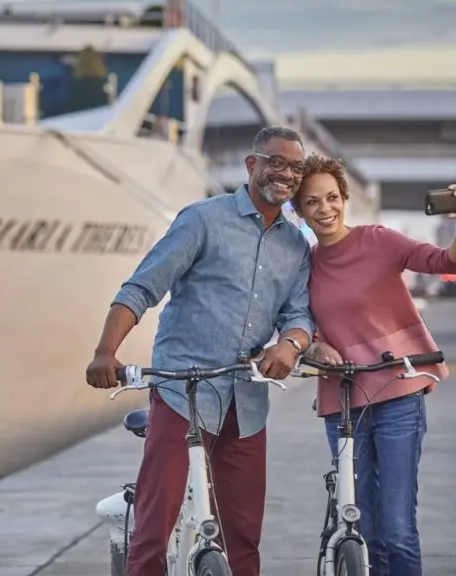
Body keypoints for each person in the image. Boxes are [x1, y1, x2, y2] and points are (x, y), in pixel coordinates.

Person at [85, 126, 316, 576]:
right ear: (252, 165)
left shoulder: (295, 245)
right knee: (154, 530)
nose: (286, 173)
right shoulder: (202, 219)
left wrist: (290, 345)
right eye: (276, 162)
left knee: (244, 538)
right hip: (181, 394)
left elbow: (300, 315)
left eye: (296, 167)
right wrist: (105, 351)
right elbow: (142, 287)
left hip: (247, 402)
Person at [292, 154, 456, 576]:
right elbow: (294, 325)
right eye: (312, 202)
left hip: (398, 396)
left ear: (344, 198)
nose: (325, 209)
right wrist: (314, 349)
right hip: (341, 404)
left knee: (396, 529)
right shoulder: (302, 266)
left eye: (332, 198)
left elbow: (445, 264)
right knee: (362, 528)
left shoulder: (377, 240)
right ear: (298, 210)